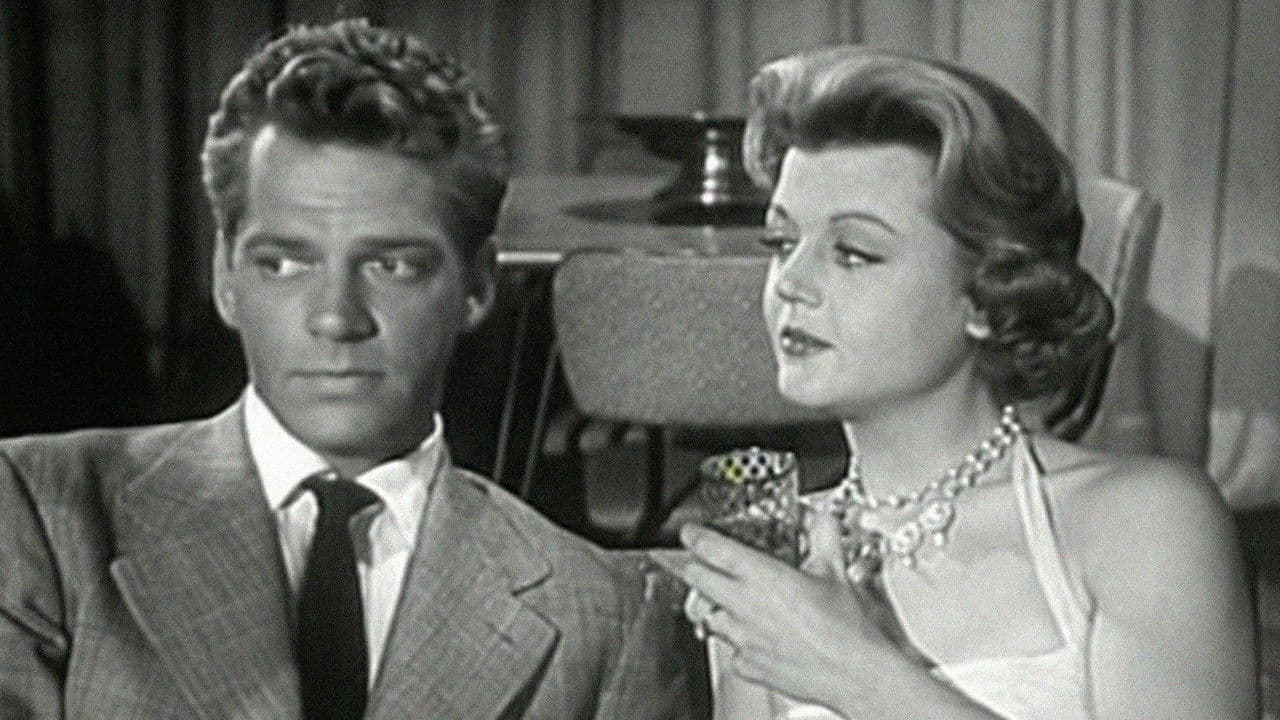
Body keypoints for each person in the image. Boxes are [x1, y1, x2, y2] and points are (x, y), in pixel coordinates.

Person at [0, 19, 696, 719]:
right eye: (284, 263)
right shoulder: (47, 514)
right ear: (225, 277)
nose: (336, 317)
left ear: (479, 284)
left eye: (392, 265)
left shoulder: (605, 618)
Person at [652, 45, 1257, 719]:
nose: (790, 283)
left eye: (853, 253)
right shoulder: (777, 561)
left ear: (987, 297)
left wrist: (856, 672)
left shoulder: (1143, 522)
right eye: (781, 243)